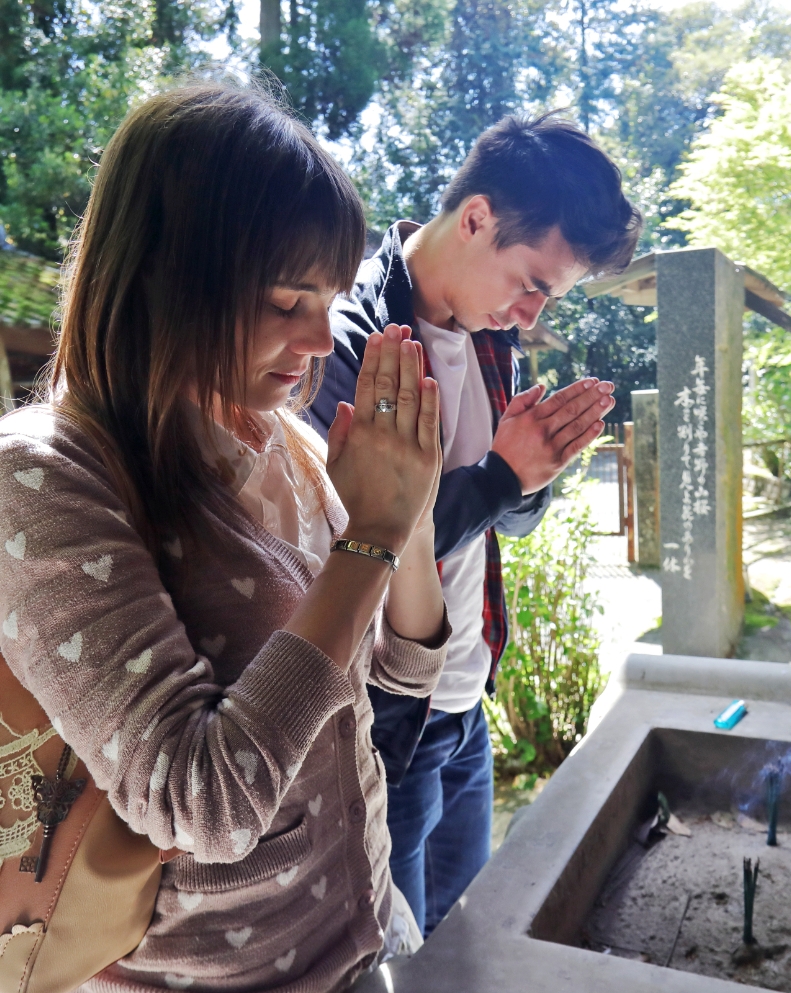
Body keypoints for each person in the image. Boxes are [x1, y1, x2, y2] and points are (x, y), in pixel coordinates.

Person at [0, 82, 449, 991]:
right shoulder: (40, 478)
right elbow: (198, 801)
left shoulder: (287, 440)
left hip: (363, 931)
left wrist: (413, 500)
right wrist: (371, 536)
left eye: (329, 296)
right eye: (288, 298)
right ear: (168, 275)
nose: (322, 338)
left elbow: (402, 672)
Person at [307, 112, 642, 936]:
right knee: (408, 954)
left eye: (548, 297)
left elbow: (509, 523)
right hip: (390, 721)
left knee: (473, 940)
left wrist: (531, 472)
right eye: (530, 283)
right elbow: (360, 541)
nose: (529, 315)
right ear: (477, 217)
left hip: (465, 705)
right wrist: (500, 475)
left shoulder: (492, 341)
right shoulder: (344, 338)